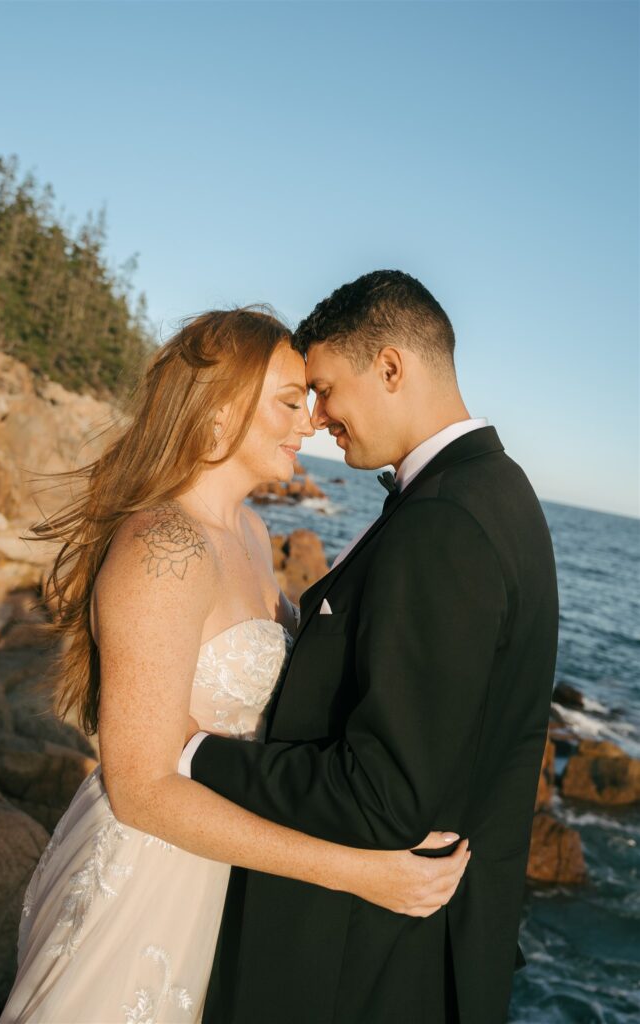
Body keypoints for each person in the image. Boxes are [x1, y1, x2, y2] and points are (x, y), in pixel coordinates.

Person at [0, 307, 470, 1024]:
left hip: (229, 858)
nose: (309, 423)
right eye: (288, 402)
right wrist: (363, 875)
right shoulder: (164, 546)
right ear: (217, 414)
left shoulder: (250, 531)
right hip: (152, 879)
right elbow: (142, 789)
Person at [180, 273, 560, 1024]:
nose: (317, 419)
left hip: (359, 965)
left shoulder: (443, 522)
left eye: (323, 389)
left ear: (389, 368)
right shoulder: (497, 491)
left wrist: (196, 757)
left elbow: (384, 797)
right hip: (425, 951)